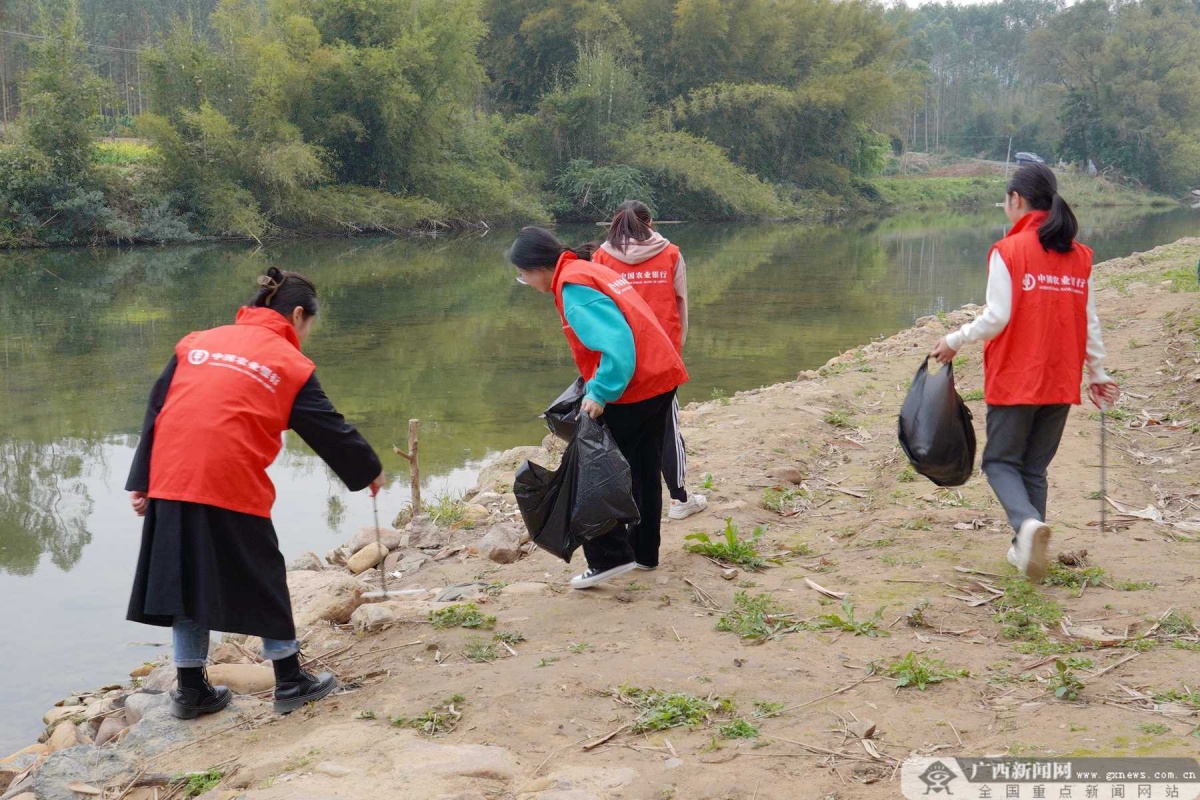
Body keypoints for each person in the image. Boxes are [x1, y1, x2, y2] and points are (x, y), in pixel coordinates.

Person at [126, 267, 383, 719]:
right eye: (308, 325)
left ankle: (191, 692)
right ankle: (289, 679)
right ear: (298, 314)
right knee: (262, 574)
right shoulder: (289, 363)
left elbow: (157, 407)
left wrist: (143, 480)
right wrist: (368, 470)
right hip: (228, 477)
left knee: (184, 580)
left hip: (171, 472)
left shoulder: (197, 342)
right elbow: (327, 427)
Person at [932, 163, 1119, 581]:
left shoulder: (1009, 251)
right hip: (1060, 379)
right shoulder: (1079, 254)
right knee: (1033, 468)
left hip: (1016, 377)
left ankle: (1026, 525)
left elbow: (997, 317)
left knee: (999, 463)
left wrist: (955, 338)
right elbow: (1088, 321)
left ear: (1016, 200)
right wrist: (1098, 373)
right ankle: (1025, 551)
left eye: (1006, 200)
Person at [508, 227, 688, 588]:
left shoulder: (573, 287)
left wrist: (600, 393)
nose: (525, 282)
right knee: (643, 468)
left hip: (632, 386)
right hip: (660, 378)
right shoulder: (590, 269)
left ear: (536, 267)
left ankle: (609, 557)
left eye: (523, 275)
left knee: (590, 470)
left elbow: (618, 346)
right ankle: (643, 553)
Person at [592, 200, 706, 521]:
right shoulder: (671, 254)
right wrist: (675, 351)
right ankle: (680, 499)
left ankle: (624, 505)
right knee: (666, 428)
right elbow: (680, 306)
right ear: (650, 222)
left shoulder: (600, 258)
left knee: (620, 433)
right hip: (661, 360)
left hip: (617, 361)